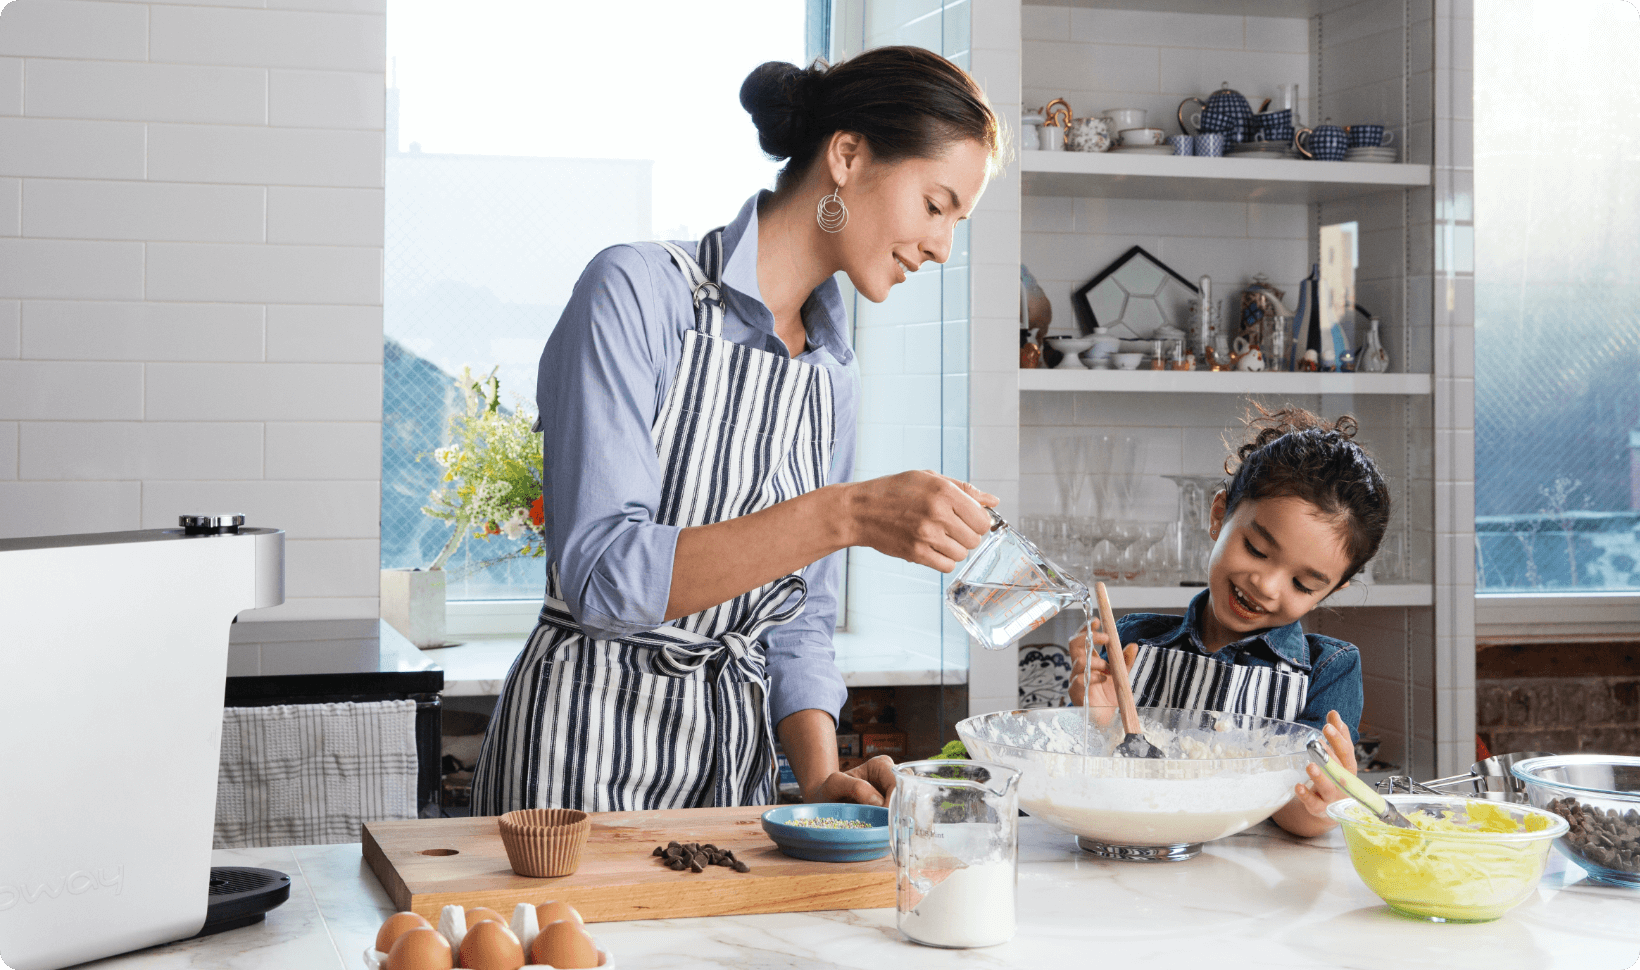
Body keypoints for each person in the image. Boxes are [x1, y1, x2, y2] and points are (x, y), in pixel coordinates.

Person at [469, 47, 1007, 816]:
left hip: (732, 776)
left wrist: (819, 777)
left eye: (958, 220)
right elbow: (602, 577)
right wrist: (846, 515)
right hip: (575, 765)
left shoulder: (831, 373)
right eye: (936, 204)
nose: (944, 247)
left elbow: (801, 618)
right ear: (848, 156)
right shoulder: (635, 292)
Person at [1069, 406, 1391, 837]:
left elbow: (1299, 819)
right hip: (1137, 872)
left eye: (1301, 584)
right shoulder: (1132, 642)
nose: (1267, 585)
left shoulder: (1328, 671)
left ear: (1330, 590)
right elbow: (1092, 790)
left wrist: (1324, 802)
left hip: (1252, 892)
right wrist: (1098, 723)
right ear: (1219, 514)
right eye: (1257, 549)